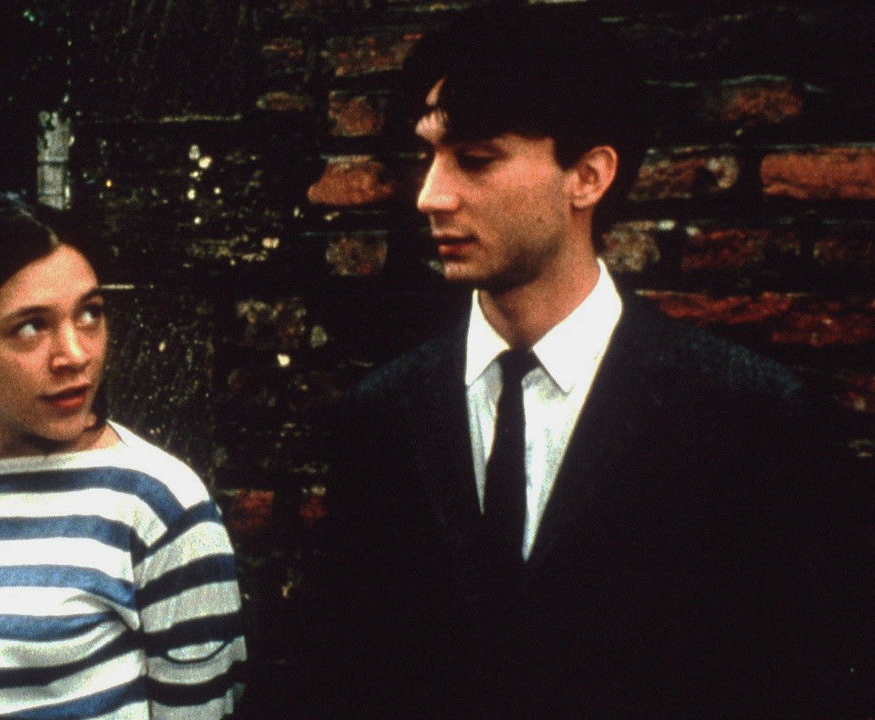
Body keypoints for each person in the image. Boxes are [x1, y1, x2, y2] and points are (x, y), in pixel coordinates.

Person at [307, 8, 870, 719]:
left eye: (474, 159)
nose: (431, 196)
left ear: (589, 176)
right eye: (429, 156)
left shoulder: (747, 418)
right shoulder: (379, 416)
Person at [0, 194, 245, 720]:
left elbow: (200, 708)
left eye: (90, 314)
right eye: (31, 326)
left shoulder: (158, 503)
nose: (75, 355)